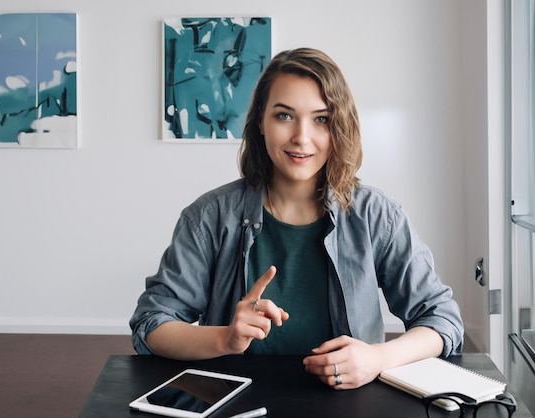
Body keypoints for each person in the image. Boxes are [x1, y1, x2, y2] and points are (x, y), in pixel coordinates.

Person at [130, 47, 464, 390]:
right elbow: (152, 323)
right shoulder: (208, 217)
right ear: (261, 120)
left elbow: (441, 319)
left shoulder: (378, 216)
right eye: (284, 116)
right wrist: (224, 338)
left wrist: (378, 358)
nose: (301, 138)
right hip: (232, 403)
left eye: (321, 119)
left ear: (339, 127)